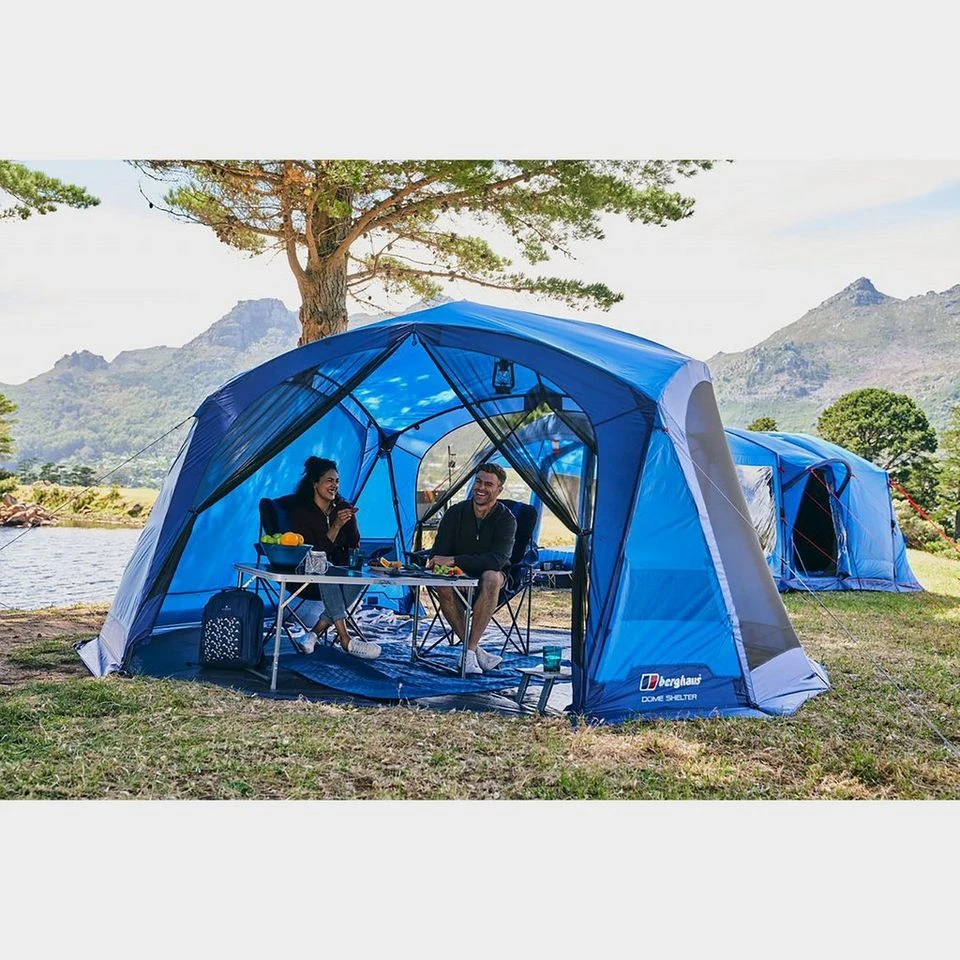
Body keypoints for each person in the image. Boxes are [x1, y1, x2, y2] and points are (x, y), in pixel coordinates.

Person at [285, 456, 381, 660]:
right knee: (325, 569)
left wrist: (350, 522)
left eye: (337, 481)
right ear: (315, 483)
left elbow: (354, 544)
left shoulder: (342, 507)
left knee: (359, 576)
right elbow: (314, 555)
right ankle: (345, 639)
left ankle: (313, 633)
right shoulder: (301, 513)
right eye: (329, 480)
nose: (334, 485)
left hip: (338, 572)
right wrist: (336, 526)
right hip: (307, 575)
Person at [427, 462, 516, 675]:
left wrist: (456, 561)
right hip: (457, 576)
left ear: (499, 490)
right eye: (478, 482)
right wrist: (459, 573)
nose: (481, 488)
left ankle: (469, 650)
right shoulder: (455, 513)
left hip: (494, 577)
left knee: (491, 577)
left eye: (488, 484)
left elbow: (496, 560)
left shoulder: (506, 519)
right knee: (443, 585)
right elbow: (438, 555)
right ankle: (473, 652)